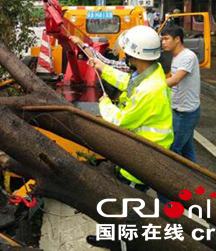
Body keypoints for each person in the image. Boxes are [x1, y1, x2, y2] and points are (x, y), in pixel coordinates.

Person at [71, 26, 173, 249]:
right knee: (118, 199)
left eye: (126, 52)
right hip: (138, 151)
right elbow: (128, 82)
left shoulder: (151, 89)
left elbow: (121, 121)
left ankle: (128, 244)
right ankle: (113, 237)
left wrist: (105, 103)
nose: (124, 55)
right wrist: (102, 68)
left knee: (127, 205)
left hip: (144, 156)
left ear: (136, 55)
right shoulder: (149, 72)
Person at [161, 26, 200, 163]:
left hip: (186, 112)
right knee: (187, 151)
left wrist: (151, 85)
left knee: (174, 150)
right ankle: (197, 179)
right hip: (177, 109)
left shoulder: (188, 56)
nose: (163, 42)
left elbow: (175, 80)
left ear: (177, 39)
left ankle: (177, 180)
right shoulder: (175, 56)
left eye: (166, 39)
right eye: (162, 39)